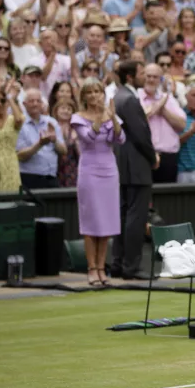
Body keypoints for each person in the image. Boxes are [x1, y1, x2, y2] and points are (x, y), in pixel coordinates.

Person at [73, 80, 126, 286]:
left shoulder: (109, 114)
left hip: (109, 170)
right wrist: (100, 119)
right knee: (91, 222)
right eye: (91, 92)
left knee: (106, 222)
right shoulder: (78, 118)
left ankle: (103, 267)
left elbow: (120, 139)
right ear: (84, 97)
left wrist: (112, 117)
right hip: (89, 171)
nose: (95, 95)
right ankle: (92, 268)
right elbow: (88, 138)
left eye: (98, 91)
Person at [111, 61, 159, 281]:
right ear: (130, 77)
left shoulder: (119, 96)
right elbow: (141, 134)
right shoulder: (129, 99)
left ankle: (119, 264)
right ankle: (131, 266)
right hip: (135, 165)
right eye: (141, 73)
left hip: (123, 165)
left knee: (123, 215)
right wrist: (153, 156)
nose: (144, 76)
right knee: (135, 217)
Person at [16, 88, 66, 189]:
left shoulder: (51, 122)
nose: (35, 104)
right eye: (31, 101)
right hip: (29, 178)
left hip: (51, 177)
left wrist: (54, 139)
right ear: (24, 104)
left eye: (38, 101)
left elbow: (64, 150)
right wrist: (39, 144)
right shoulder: (19, 124)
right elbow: (19, 156)